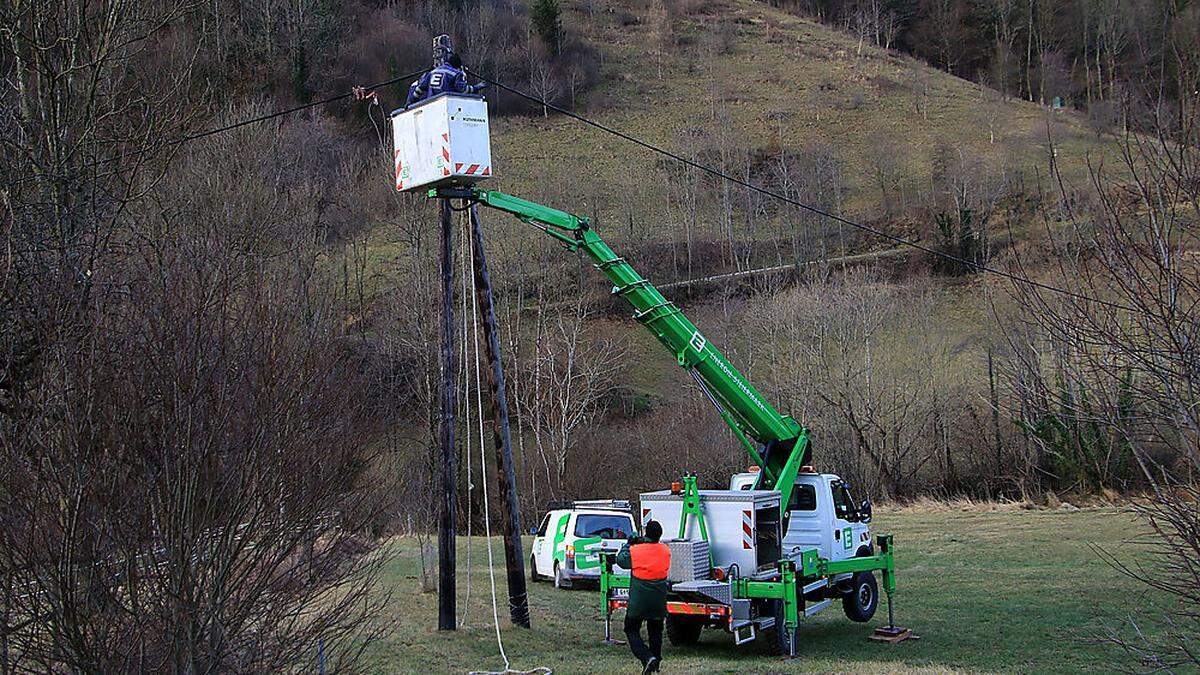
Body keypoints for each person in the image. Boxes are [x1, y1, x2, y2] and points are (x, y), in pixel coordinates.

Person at [616, 520, 671, 674]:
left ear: (646, 533)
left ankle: (647, 658)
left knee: (631, 629)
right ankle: (655, 662)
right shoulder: (666, 551)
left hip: (639, 600)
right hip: (658, 599)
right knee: (656, 630)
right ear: (660, 535)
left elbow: (621, 560)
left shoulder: (636, 551)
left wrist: (629, 543)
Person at [405, 52, 484, 107]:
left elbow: (419, 89)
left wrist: (411, 101)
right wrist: (477, 87)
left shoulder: (433, 72)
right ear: (457, 65)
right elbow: (463, 90)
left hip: (430, 105)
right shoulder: (456, 74)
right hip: (447, 104)